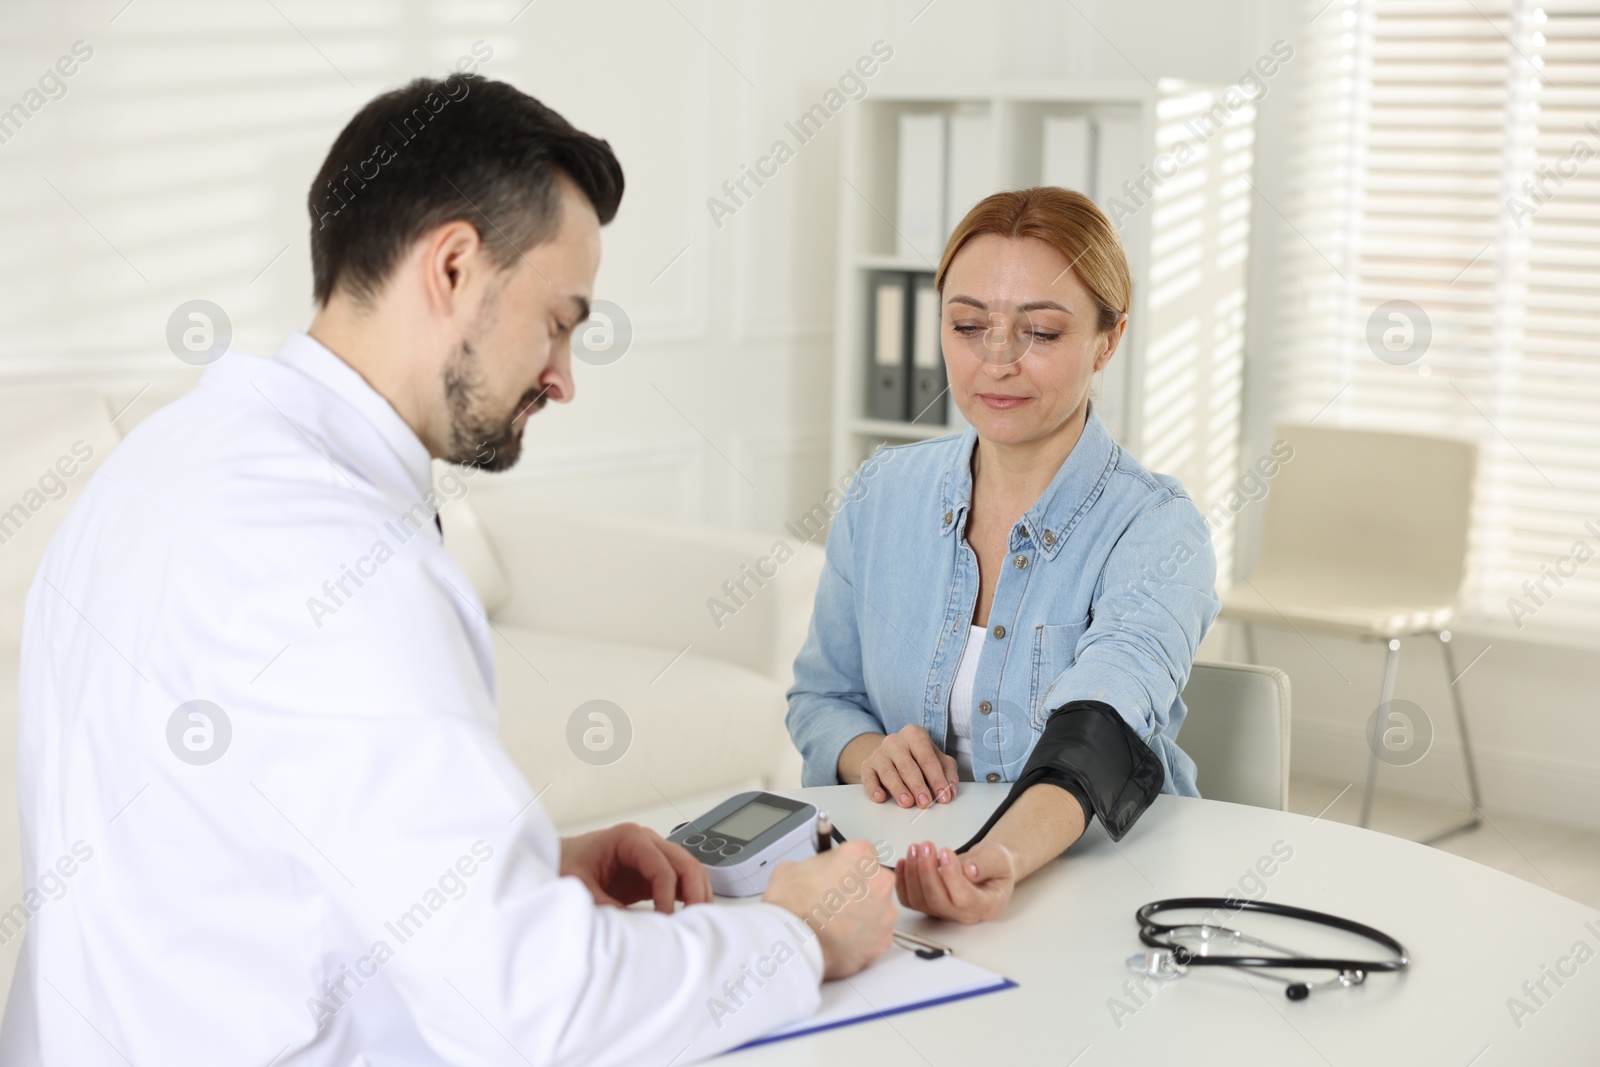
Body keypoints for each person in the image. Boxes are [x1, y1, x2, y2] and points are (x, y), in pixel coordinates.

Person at [0, 75, 895, 1066]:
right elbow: (533, 1012)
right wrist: (797, 934)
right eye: (560, 319)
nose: (562, 375)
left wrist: (525, 873)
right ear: (456, 266)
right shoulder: (345, 560)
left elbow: (216, 864)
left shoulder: (156, 467)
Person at [787, 187, 1220, 926]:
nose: (996, 360)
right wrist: (869, 753)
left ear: (1108, 340)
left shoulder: (1157, 528)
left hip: (1101, 889)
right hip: (909, 876)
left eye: (1041, 333)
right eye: (967, 325)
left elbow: (1103, 732)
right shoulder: (882, 493)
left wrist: (997, 858)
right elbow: (820, 698)